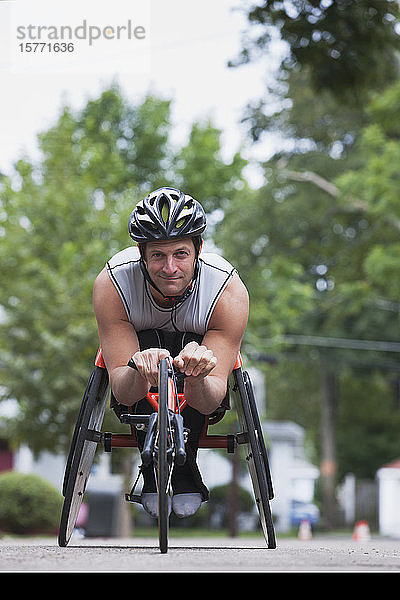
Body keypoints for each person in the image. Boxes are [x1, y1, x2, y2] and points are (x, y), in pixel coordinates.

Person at [93, 186, 249, 518]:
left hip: (196, 368)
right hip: (139, 365)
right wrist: (137, 366)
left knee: (193, 346)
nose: (169, 268)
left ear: (198, 249)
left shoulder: (227, 289)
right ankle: (151, 465)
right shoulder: (112, 284)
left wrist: (197, 374)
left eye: (180, 254)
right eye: (158, 256)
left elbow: (210, 399)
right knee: (145, 339)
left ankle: (184, 462)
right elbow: (121, 388)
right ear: (141, 253)